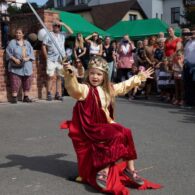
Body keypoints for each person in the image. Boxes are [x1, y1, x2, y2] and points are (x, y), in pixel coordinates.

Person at [61, 56, 161, 194]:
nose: (95, 77)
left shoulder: (109, 89)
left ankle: (130, 169)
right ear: (87, 74)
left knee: (126, 132)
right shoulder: (85, 89)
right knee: (116, 134)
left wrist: (139, 77)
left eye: (99, 74)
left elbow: (124, 85)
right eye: (92, 73)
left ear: (104, 76)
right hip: (90, 128)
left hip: (104, 125)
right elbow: (73, 89)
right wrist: (69, 74)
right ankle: (104, 170)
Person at [42, 20, 73, 101]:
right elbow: (43, 46)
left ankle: (58, 94)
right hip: (51, 59)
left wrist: (63, 23)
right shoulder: (48, 35)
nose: (57, 27)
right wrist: (46, 57)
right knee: (50, 76)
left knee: (59, 77)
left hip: (61, 59)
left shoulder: (62, 34)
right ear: (53, 26)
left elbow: (71, 32)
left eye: (58, 26)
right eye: (55, 25)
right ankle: (49, 93)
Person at [6, 28, 35, 104]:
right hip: (16, 65)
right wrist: (15, 59)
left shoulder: (27, 43)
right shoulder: (12, 42)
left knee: (27, 81)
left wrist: (27, 58)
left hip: (27, 65)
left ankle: (26, 97)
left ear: (23, 34)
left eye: (19, 33)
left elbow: (32, 53)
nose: (18, 34)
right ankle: (14, 97)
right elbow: (8, 52)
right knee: (15, 81)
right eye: (17, 33)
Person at [183, 27, 195, 108]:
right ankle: (189, 102)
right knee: (188, 84)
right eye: (192, 33)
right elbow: (185, 54)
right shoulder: (187, 42)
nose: (192, 34)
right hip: (187, 65)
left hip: (194, 67)